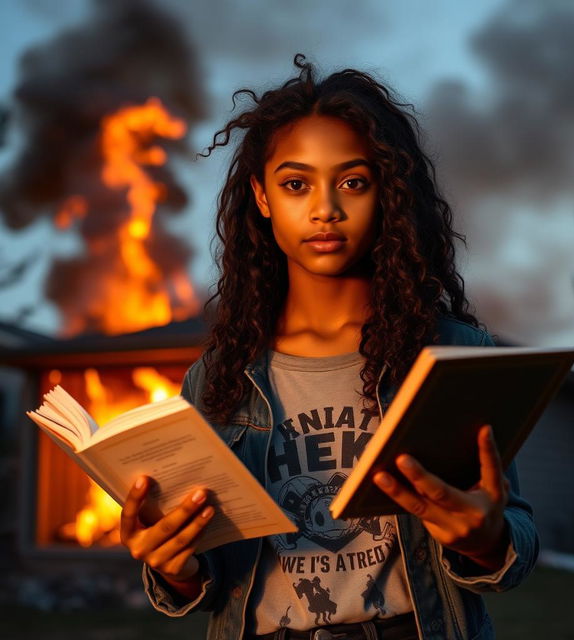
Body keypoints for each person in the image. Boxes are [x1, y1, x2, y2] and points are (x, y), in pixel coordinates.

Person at [120, 53, 539, 640]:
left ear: (386, 193)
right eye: (296, 184)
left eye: (353, 182)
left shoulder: (452, 355)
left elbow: (512, 537)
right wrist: (175, 568)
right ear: (262, 198)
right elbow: (208, 578)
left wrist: (487, 542)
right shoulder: (219, 376)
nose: (325, 209)